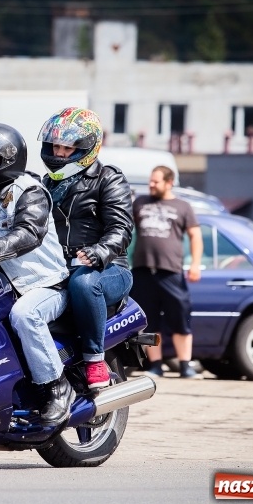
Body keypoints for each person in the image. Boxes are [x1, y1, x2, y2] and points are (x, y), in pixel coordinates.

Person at [0, 123, 73, 426]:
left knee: (24, 316)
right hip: (0, 286)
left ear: (9, 158)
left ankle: (56, 387)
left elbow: (28, 233)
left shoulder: (29, 192)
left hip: (45, 285)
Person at [37, 107, 134, 390]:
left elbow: (121, 229)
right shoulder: (45, 184)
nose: (59, 153)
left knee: (84, 283)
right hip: (59, 267)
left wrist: (98, 252)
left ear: (86, 148)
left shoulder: (108, 178)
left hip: (109, 268)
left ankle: (94, 360)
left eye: (67, 147)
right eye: (55, 145)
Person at [130, 165, 203, 379]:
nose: (151, 185)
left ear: (169, 182)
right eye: (150, 181)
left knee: (180, 318)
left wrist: (196, 264)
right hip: (143, 270)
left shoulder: (183, 206)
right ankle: (155, 365)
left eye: (156, 181)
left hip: (171, 271)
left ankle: (185, 366)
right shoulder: (141, 202)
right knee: (148, 320)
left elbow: (195, 236)